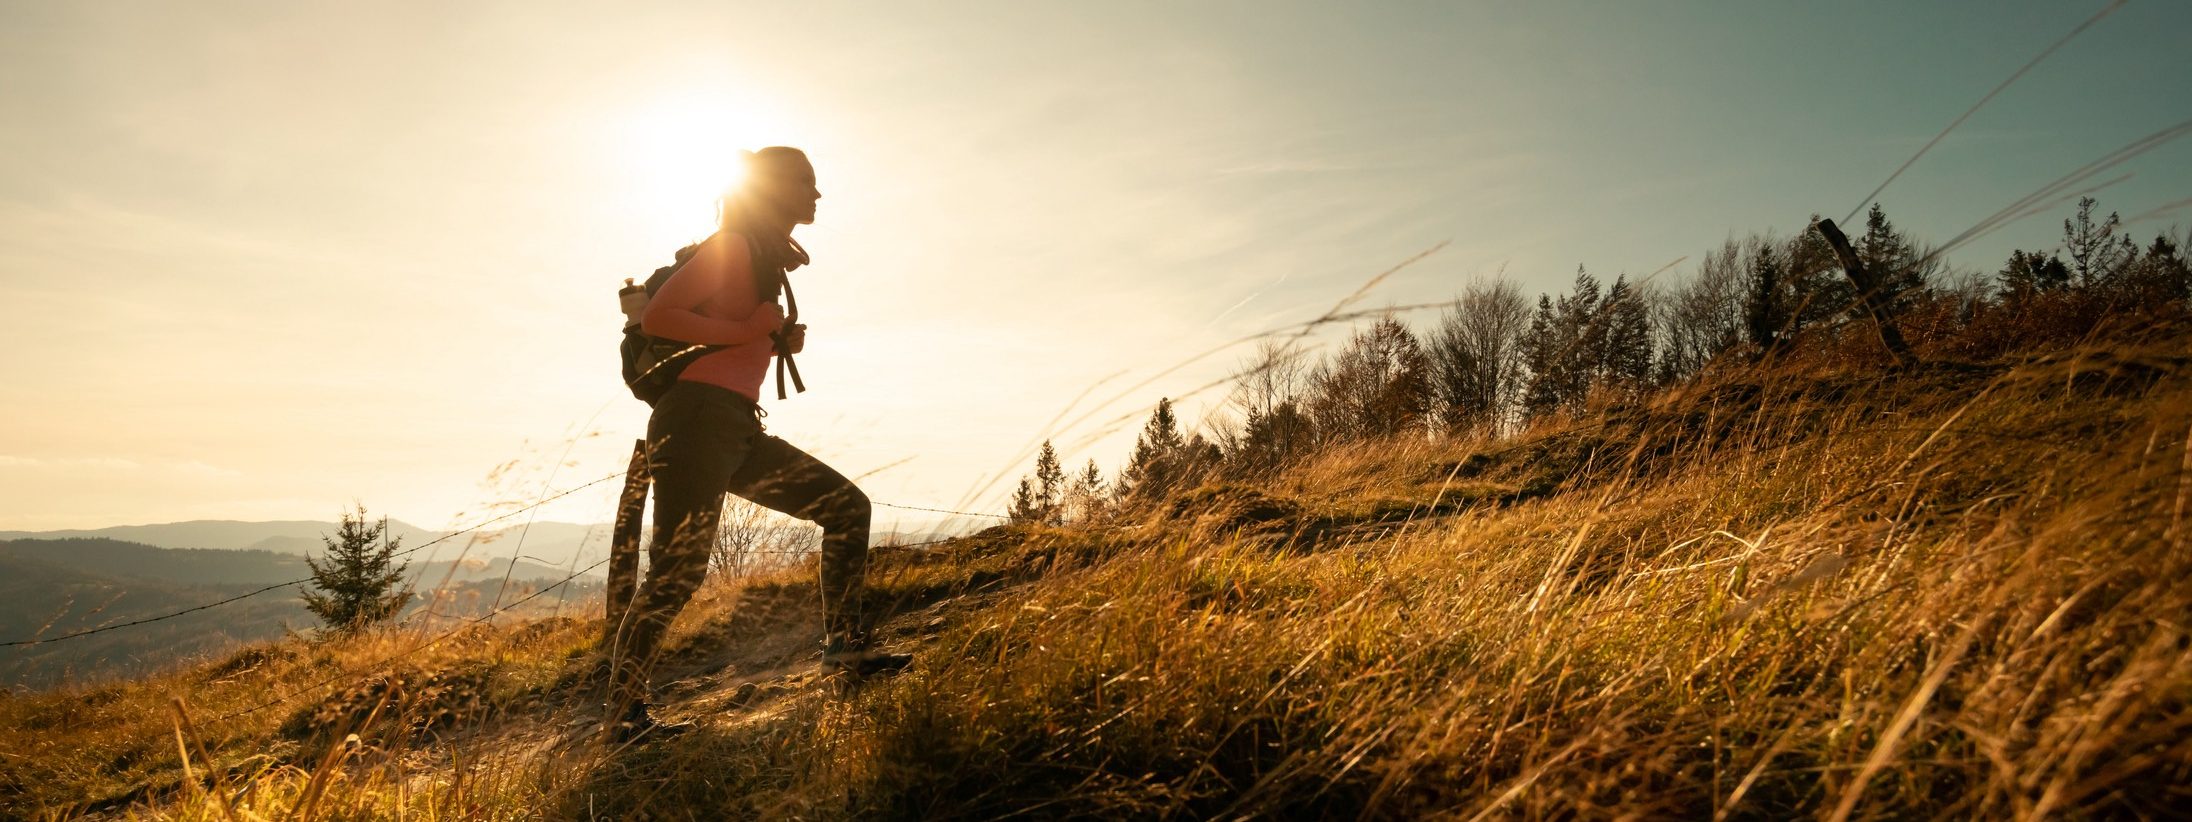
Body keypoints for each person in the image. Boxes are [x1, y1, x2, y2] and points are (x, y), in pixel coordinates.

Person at [606, 146, 909, 743]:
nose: (816, 196)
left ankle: (843, 651)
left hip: (736, 427)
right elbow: (660, 317)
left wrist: (771, 344)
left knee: (846, 509)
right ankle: (623, 718)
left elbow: (724, 334)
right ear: (772, 188)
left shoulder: (761, 255)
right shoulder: (735, 245)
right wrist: (748, 331)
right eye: (805, 183)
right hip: (696, 422)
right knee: (676, 572)